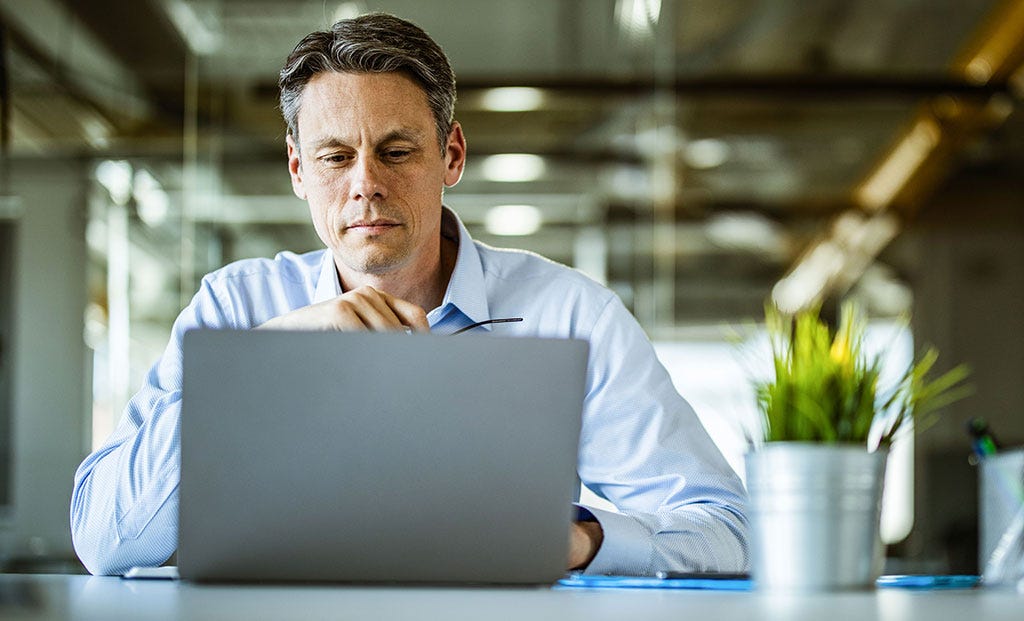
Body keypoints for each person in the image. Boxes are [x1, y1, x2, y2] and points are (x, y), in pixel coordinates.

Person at [69, 13, 749, 577]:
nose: (364, 183)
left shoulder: (572, 315)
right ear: (299, 169)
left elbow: (729, 528)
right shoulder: (237, 309)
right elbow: (104, 537)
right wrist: (274, 352)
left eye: (395, 151)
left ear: (451, 154)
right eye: (336, 157)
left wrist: (579, 541)